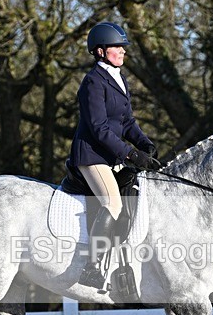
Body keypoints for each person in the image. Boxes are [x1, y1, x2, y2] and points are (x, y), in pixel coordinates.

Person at [67, 22, 163, 289]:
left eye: (123, 47)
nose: (123, 51)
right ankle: (92, 266)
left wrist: (145, 145)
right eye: (117, 47)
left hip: (110, 155)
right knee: (112, 203)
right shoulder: (93, 83)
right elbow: (99, 129)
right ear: (100, 51)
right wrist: (130, 153)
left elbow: (127, 121)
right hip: (91, 155)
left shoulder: (119, 79)